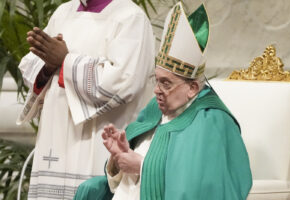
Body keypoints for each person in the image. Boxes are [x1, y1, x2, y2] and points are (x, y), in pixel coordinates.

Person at [73, 1, 253, 200]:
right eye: (156, 80)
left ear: (192, 88)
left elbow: (204, 187)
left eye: (166, 83)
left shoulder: (212, 121)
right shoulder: (156, 110)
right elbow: (121, 186)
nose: (157, 90)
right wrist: (119, 158)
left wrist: (142, 166)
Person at [16, 0, 155, 199]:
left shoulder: (131, 17)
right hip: (54, 141)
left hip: (99, 139)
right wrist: (47, 67)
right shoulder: (64, 12)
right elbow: (31, 66)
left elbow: (125, 81)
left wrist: (66, 61)